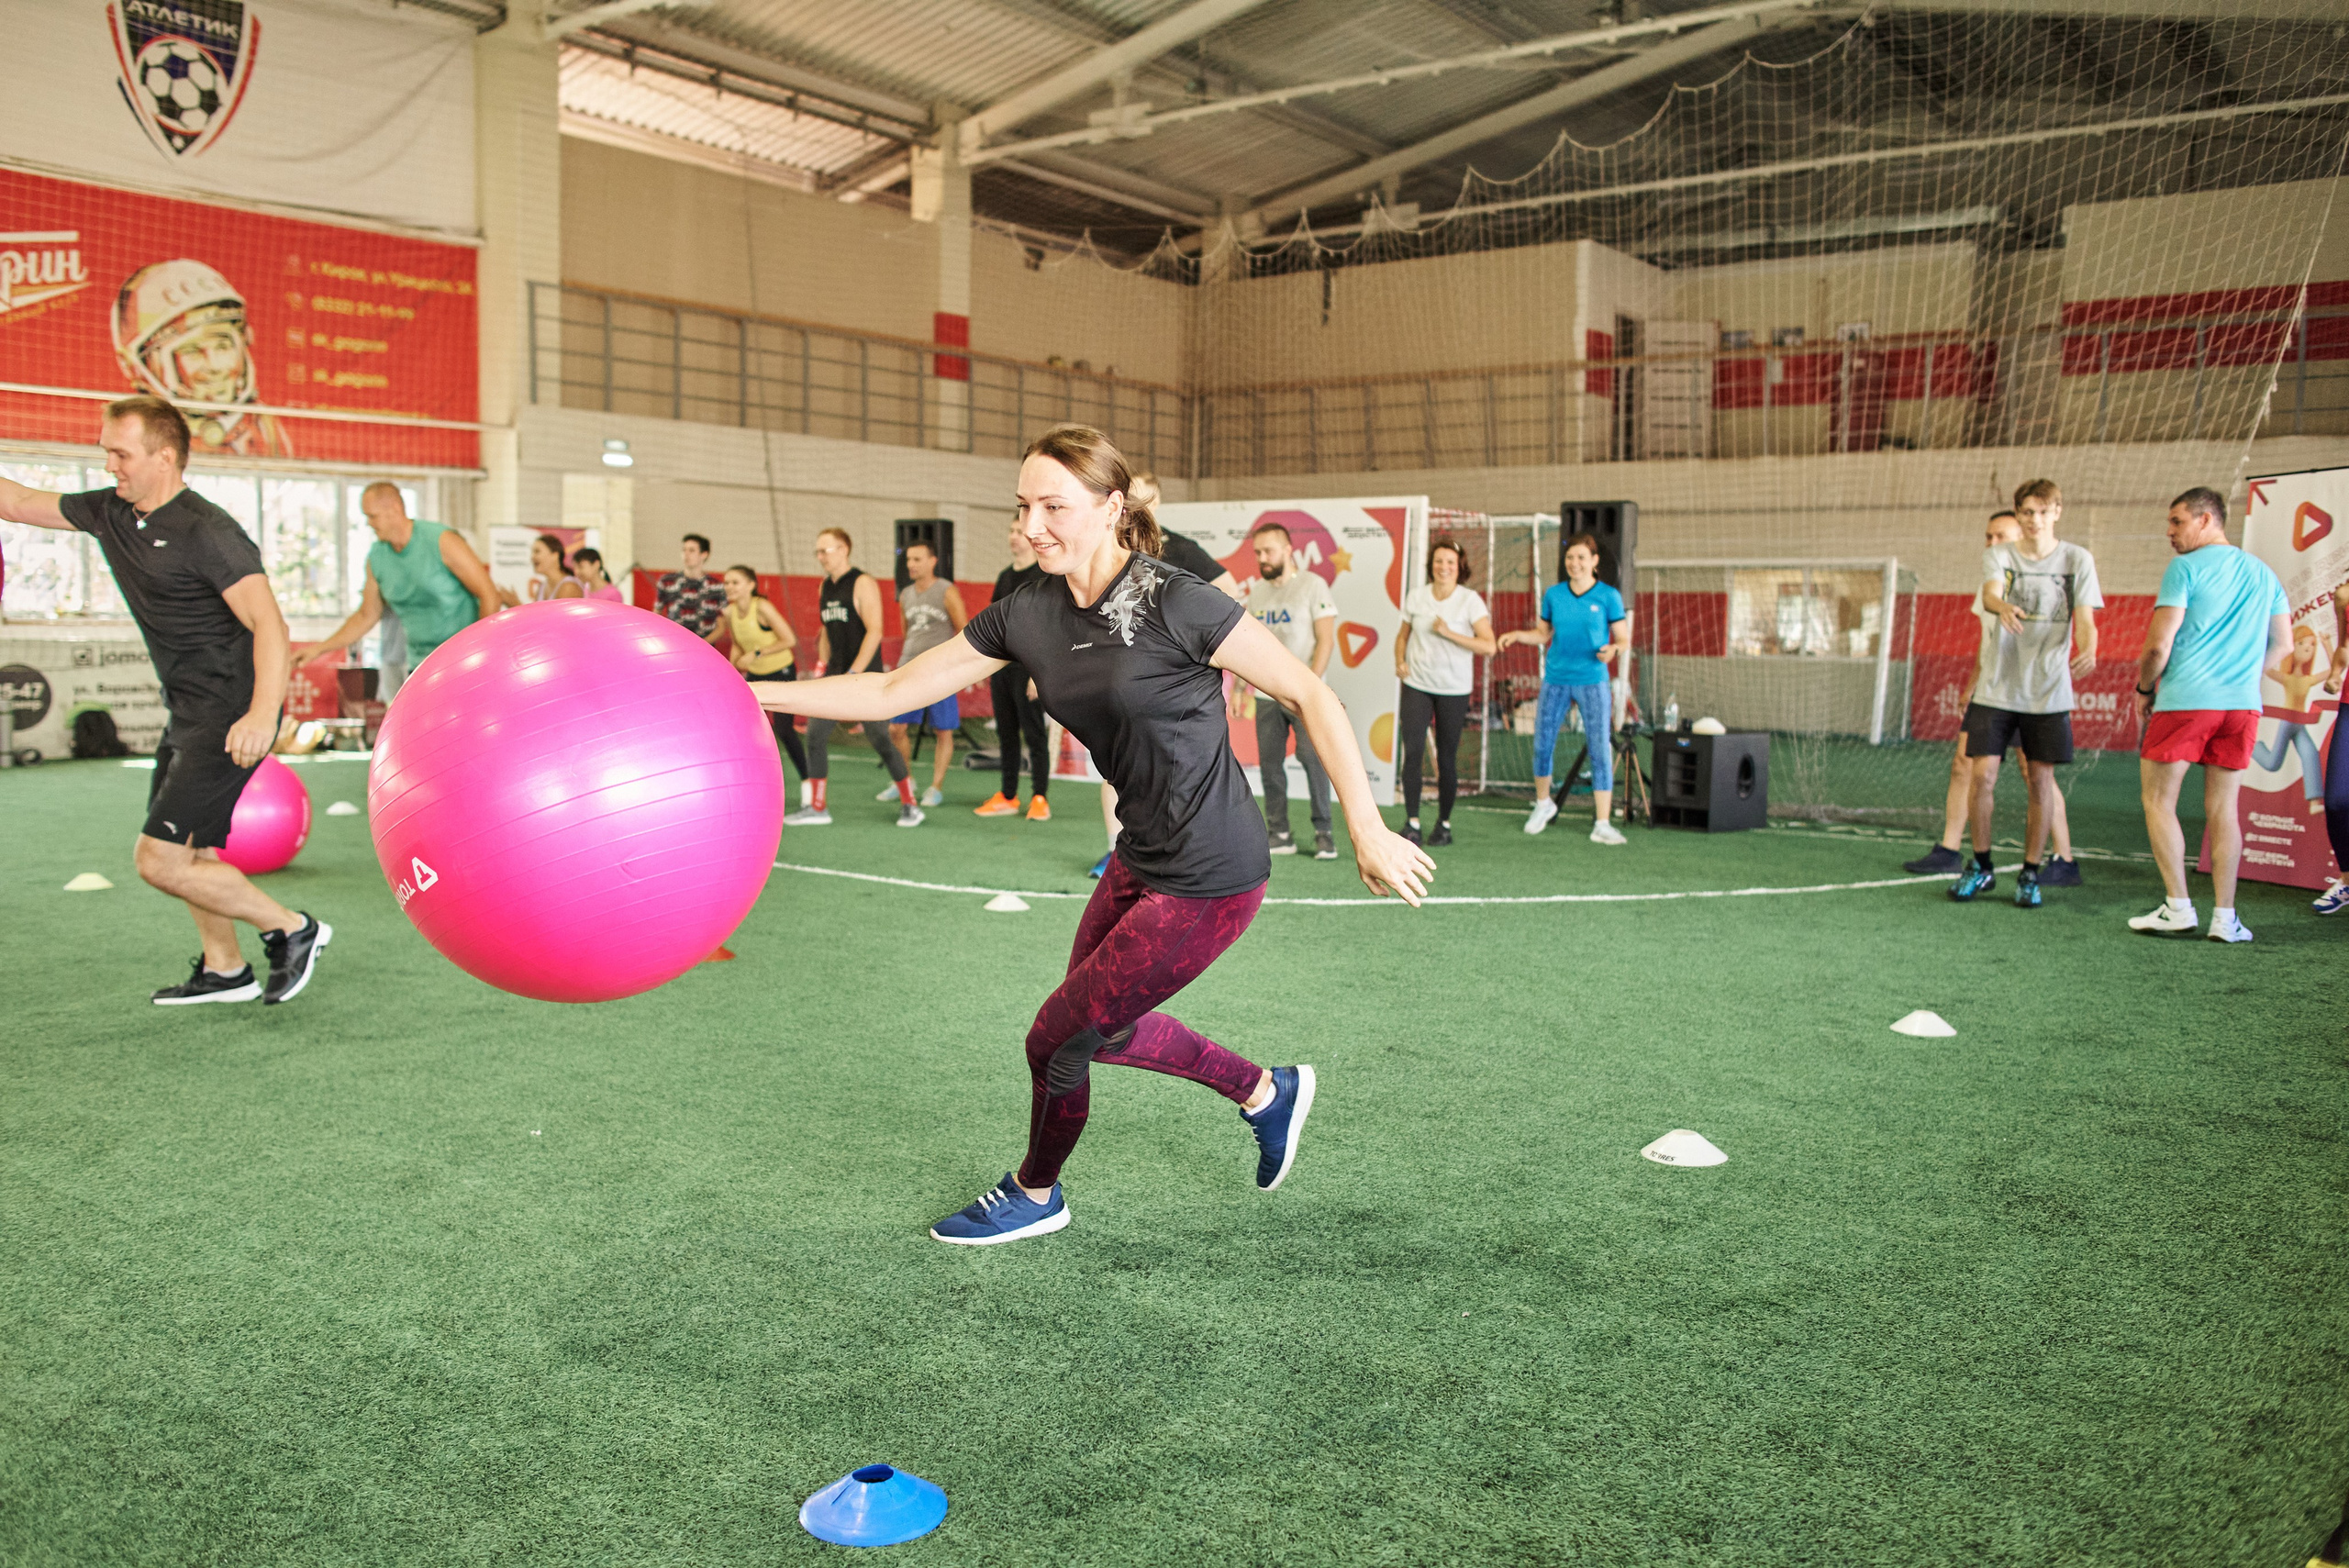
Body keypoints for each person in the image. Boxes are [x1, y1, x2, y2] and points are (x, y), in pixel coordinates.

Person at [751, 426, 1433, 1244]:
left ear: (1112, 508)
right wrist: (751, 690)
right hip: (1139, 855)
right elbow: (892, 689)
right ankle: (1266, 1092)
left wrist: (1367, 826)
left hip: (1211, 873)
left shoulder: (1176, 599)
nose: (1032, 526)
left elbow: (1308, 694)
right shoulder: (1027, 611)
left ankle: (1036, 1191)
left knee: (1055, 1040)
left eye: (1054, 507)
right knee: (1096, 1030)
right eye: (1023, 507)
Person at [0, 395, 328, 1004]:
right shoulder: (111, 511)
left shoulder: (209, 531)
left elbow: (270, 625)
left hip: (231, 710)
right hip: (188, 708)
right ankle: (225, 969)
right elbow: (17, 501)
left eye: (121, 454)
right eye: (106, 452)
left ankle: (292, 928)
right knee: (192, 847)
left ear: (165, 457)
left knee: (158, 859)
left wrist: (262, 714)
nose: (109, 465)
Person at [2128, 487, 2290, 943]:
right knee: (2224, 809)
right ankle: (2226, 918)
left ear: (2205, 519)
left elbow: (2158, 646)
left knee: (2158, 801)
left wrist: (2144, 689)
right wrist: (2242, 678)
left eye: (2177, 521)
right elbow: (2283, 644)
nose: (2169, 531)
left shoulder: (2184, 568)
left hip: (2186, 702)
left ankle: (2178, 907)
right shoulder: (2264, 573)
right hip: (2242, 707)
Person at [1905, 512, 2084, 884]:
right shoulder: (1989, 585)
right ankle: (1949, 850)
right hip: (1992, 690)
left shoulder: (2042, 582)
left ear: (2022, 536)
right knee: (1964, 764)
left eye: (2000, 536)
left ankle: (2064, 859)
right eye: (1988, 536)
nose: (1991, 542)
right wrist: (1973, 682)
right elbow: (1988, 643)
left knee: (2034, 772)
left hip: (2030, 694)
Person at [1951, 479, 2100, 908]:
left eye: (2043, 511)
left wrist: (2089, 648)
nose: (2035, 520)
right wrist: (2003, 607)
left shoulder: (2077, 559)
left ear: (2057, 512)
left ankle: (2030, 873)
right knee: (1982, 776)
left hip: (2048, 691)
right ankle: (1981, 866)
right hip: (1997, 687)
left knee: (2040, 780)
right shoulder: (1999, 555)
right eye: (2027, 512)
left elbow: (2086, 619)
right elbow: (1990, 594)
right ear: (2018, 515)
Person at [1091, 526, 1242, 877]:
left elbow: (1229, 588)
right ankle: (1115, 853)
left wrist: (1185, 634)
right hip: (1119, 673)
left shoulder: (1181, 548)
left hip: (1171, 680)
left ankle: (1192, 852)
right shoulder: (1107, 544)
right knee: (1116, 765)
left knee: (1182, 767)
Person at [290, 482, 501, 678]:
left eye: (373, 516)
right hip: (421, 666)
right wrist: (319, 649)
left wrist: (478, 651)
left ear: (395, 509)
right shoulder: (377, 557)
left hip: (464, 662)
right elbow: (365, 616)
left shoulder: (442, 541)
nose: (369, 523)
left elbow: (489, 595)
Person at [1497, 532, 1630, 846]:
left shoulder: (1609, 596)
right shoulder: (1554, 595)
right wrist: (1517, 634)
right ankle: (1543, 804)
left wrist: (1613, 650)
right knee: (1542, 744)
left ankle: (1602, 823)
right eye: (1570, 557)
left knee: (1599, 748)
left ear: (1594, 561)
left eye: (1581, 557)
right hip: (1555, 679)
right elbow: (1543, 634)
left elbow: (1623, 639)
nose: (1575, 563)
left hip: (1593, 681)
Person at [787, 527, 917, 827]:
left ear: (844, 549)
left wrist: (854, 673)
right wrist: (823, 667)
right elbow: (826, 632)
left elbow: (875, 631)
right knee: (815, 735)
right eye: (818, 552)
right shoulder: (824, 587)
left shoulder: (863, 583)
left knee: (881, 740)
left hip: (864, 678)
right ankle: (817, 808)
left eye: (825, 551)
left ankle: (910, 804)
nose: (821, 557)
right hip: (836, 677)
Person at [1237, 520, 1341, 860]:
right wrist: (1239, 688)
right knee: (1270, 766)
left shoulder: (1313, 585)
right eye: (1258, 553)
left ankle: (1324, 832)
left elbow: (1326, 641)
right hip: (1267, 695)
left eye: (1268, 551)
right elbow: (1247, 645)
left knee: (1313, 760)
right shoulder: (1258, 592)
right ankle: (1279, 833)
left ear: (1287, 550)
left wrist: (1310, 688)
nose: (1262, 558)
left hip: (1305, 695)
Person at [1393, 539, 1495, 848]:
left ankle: (1444, 824)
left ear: (1459, 567)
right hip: (1417, 685)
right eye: (1439, 561)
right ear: (1431, 565)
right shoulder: (1417, 596)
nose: (1444, 567)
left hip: (1454, 689)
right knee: (1412, 753)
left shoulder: (1470, 601)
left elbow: (1488, 645)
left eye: (1450, 562)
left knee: (1446, 757)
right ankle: (1412, 823)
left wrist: (1449, 633)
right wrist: (1400, 660)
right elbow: (1402, 637)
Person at [885, 539, 967, 809]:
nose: (911, 564)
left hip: (940, 671)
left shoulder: (946, 591)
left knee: (943, 730)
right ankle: (905, 782)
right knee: (896, 728)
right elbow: (907, 632)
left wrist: (957, 667)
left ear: (932, 561)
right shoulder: (906, 594)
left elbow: (964, 630)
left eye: (917, 559)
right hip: (909, 668)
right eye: (909, 559)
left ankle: (936, 787)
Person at [976, 521, 1051, 820]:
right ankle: (1008, 796)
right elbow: (994, 625)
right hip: (1002, 669)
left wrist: (1038, 673)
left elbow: (1048, 628)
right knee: (1006, 733)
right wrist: (986, 664)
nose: (1014, 537)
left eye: (1019, 532)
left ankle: (1040, 798)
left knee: (1034, 735)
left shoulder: (1044, 576)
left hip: (1028, 669)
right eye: (1010, 531)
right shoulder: (1004, 577)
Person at [721, 564, 811, 788]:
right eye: (726, 583)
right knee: (746, 727)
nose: (729, 587)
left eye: (735, 582)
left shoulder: (762, 608)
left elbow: (789, 640)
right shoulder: (730, 612)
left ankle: (808, 783)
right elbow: (737, 644)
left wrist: (757, 653)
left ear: (751, 585)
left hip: (781, 671)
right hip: (756, 674)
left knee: (784, 730)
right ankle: (754, 782)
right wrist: (731, 668)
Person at [2249, 622, 2334, 816]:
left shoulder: (2307, 680)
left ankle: (2315, 801)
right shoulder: (2287, 678)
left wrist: (2327, 645)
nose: (2307, 648)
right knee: (2273, 763)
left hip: (2300, 723)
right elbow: (2267, 668)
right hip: (2287, 722)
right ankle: (2252, 747)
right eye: (2302, 643)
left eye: (2312, 644)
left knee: (2310, 754)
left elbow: (2333, 671)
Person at [2319, 574, 2349, 917]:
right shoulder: (2345, 594)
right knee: (2338, 801)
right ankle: (2347, 881)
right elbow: (2345, 645)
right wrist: (2335, 673)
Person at [655, 533, 728, 640]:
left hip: (705, 645)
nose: (686, 554)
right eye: (684, 550)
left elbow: (721, 627)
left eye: (692, 550)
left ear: (704, 554)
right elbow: (657, 614)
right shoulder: (667, 582)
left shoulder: (716, 586)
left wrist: (702, 644)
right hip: (674, 642)